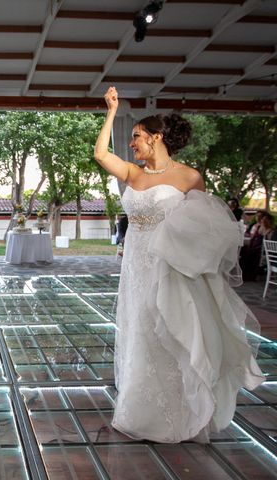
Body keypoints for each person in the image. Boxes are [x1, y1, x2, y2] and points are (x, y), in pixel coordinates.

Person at [93, 86, 263, 443]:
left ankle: (180, 413)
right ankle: (138, 412)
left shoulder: (189, 178)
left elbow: (209, 226)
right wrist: (111, 111)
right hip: (135, 266)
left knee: (168, 329)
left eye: (137, 137)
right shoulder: (133, 174)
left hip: (170, 267)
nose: (132, 144)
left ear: (156, 138)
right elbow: (100, 154)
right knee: (139, 330)